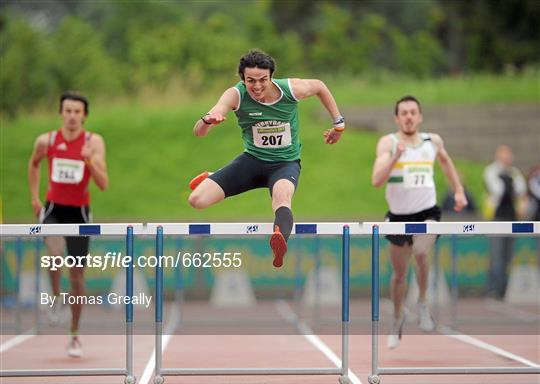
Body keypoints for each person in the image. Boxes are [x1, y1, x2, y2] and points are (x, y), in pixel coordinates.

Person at [188, 50, 345, 268]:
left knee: (282, 198)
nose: (258, 87)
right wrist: (208, 120)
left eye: (263, 80)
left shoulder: (291, 90)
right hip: (252, 162)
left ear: (271, 77)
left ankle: (279, 243)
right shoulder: (235, 95)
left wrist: (339, 125)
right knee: (197, 200)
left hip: (284, 165)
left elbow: (319, 86)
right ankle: (216, 177)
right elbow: (199, 131)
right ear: (242, 79)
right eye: (251, 81)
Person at [371, 95, 467, 349]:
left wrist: (458, 190)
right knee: (399, 276)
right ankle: (398, 316)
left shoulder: (432, 141)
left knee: (422, 252)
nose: (409, 117)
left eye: (413, 112)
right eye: (404, 113)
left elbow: (446, 164)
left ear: (420, 116)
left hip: (427, 212)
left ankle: (423, 302)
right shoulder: (388, 143)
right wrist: (395, 157)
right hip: (398, 216)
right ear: (397, 118)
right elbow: (376, 180)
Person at [28, 91, 109, 357]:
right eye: (68, 111)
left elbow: (103, 184)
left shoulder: (93, 142)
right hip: (53, 208)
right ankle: (55, 297)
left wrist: (88, 160)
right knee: (53, 254)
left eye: (77, 112)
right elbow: (34, 164)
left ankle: (74, 334)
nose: (72, 116)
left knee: (76, 276)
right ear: (61, 113)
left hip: (79, 212)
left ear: (84, 115)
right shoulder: (47, 140)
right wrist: (34, 198)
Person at [483, 145, 526, 299]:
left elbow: (521, 190)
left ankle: (504, 289)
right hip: (497, 217)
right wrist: (508, 182)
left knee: (508, 256)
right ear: (498, 155)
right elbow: (498, 190)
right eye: (504, 154)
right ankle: (493, 289)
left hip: (512, 218)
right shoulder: (491, 171)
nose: (508, 157)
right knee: (496, 255)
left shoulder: (514, 172)